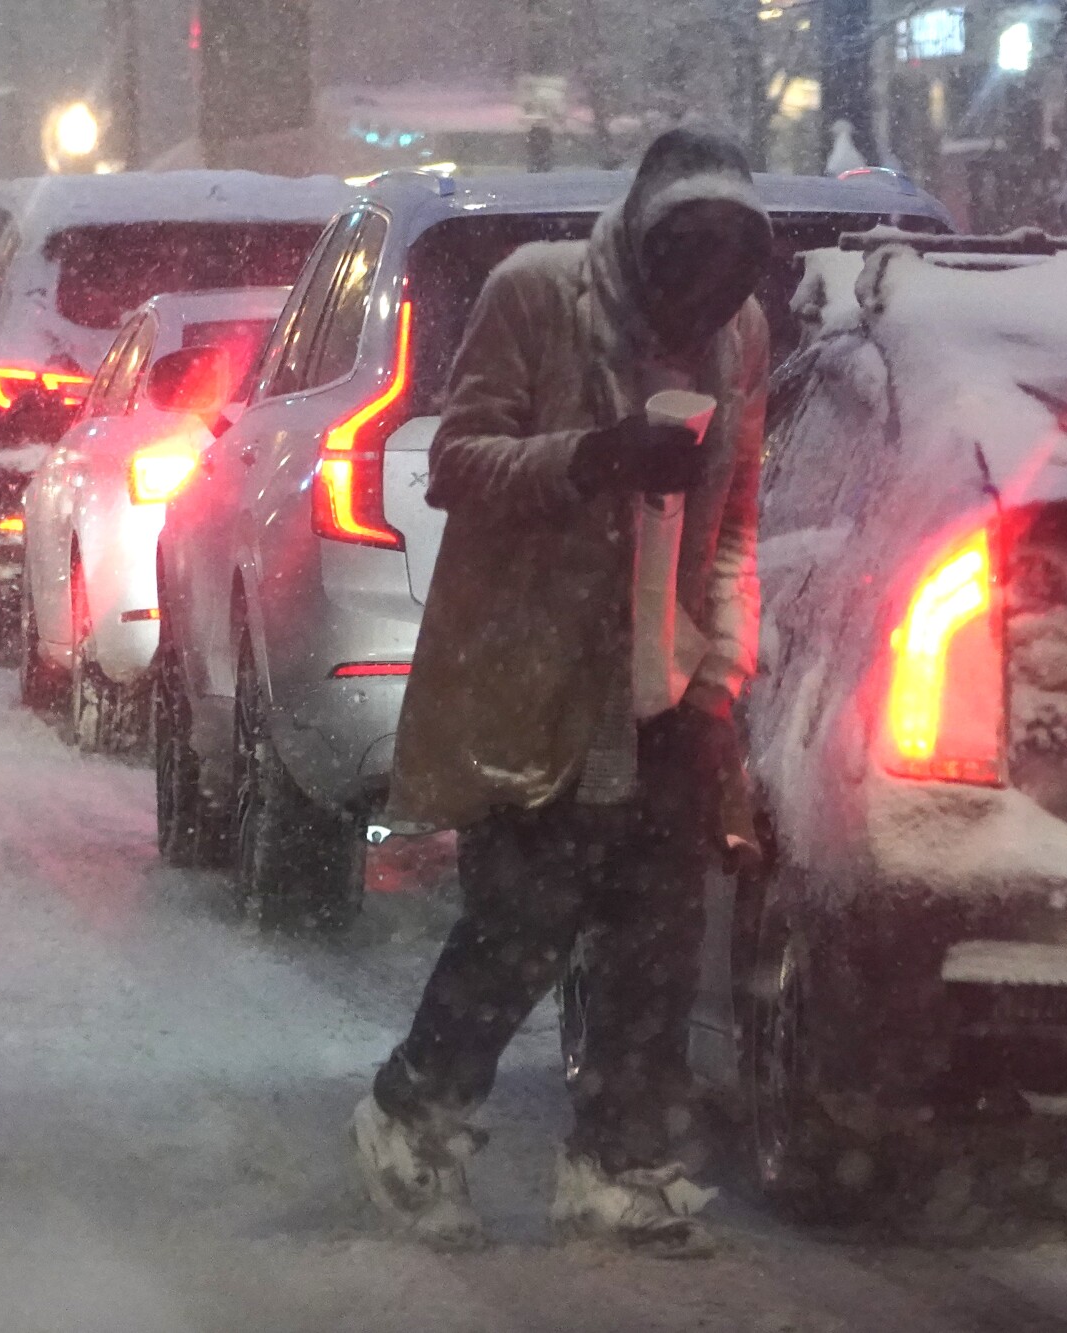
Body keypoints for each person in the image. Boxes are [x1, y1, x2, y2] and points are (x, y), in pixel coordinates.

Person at [352, 128, 772, 1258]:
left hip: (663, 686)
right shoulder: (536, 296)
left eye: (729, 271)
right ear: (642, 240)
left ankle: (618, 1164)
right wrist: (597, 455)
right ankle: (412, 1120)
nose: (703, 295)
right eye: (684, 262)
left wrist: (718, 674)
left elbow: (732, 529)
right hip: (536, 680)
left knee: (655, 945)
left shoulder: (738, 340)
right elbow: (457, 463)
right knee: (520, 929)